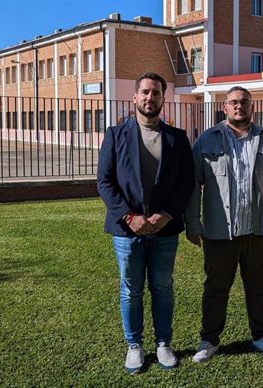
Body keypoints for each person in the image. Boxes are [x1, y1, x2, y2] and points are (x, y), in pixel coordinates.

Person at [185, 86, 263, 362]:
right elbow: (192, 186)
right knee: (215, 288)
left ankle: (261, 336)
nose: (239, 106)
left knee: (259, 288)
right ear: (225, 107)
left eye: (244, 101)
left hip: (258, 231)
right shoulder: (207, 140)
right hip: (219, 233)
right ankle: (208, 340)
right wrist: (193, 224)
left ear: (252, 106)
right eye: (233, 102)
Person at [97, 72, 195, 373]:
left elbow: (186, 182)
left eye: (155, 92)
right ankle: (134, 345)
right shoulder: (115, 135)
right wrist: (129, 216)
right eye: (145, 92)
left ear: (163, 98)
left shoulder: (177, 139)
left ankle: (164, 343)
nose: (150, 97)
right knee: (131, 289)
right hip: (127, 231)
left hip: (165, 229)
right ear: (135, 96)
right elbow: (105, 181)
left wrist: (166, 214)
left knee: (163, 287)